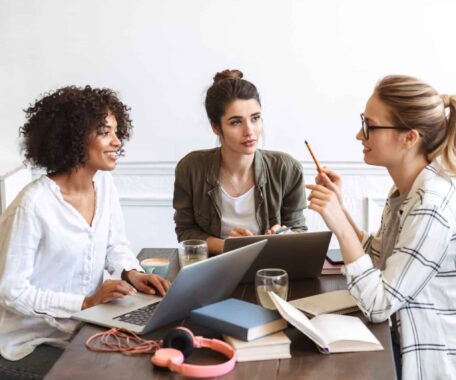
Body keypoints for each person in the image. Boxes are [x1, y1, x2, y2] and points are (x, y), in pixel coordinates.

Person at [0, 86, 170, 379]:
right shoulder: (32, 205)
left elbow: (115, 245)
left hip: (82, 327)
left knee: (153, 356)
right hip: (28, 344)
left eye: (117, 132)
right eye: (106, 132)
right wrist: (86, 303)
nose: (117, 142)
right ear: (74, 138)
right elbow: (11, 292)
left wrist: (132, 273)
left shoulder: (103, 185)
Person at [306, 75, 456, 379]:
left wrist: (341, 228)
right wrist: (341, 210)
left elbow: (378, 303)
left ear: (409, 138)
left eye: (369, 126)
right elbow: (378, 259)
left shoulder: (431, 205)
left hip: (426, 361)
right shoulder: (406, 191)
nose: (359, 136)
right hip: (396, 341)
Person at [173, 69, 307, 254]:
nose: (249, 130)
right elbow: (185, 231)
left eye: (255, 118)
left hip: (271, 270)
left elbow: (299, 230)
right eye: (236, 122)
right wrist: (229, 247)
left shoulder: (287, 168)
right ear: (215, 127)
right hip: (213, 267)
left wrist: (283, 236)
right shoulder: (191, 168)